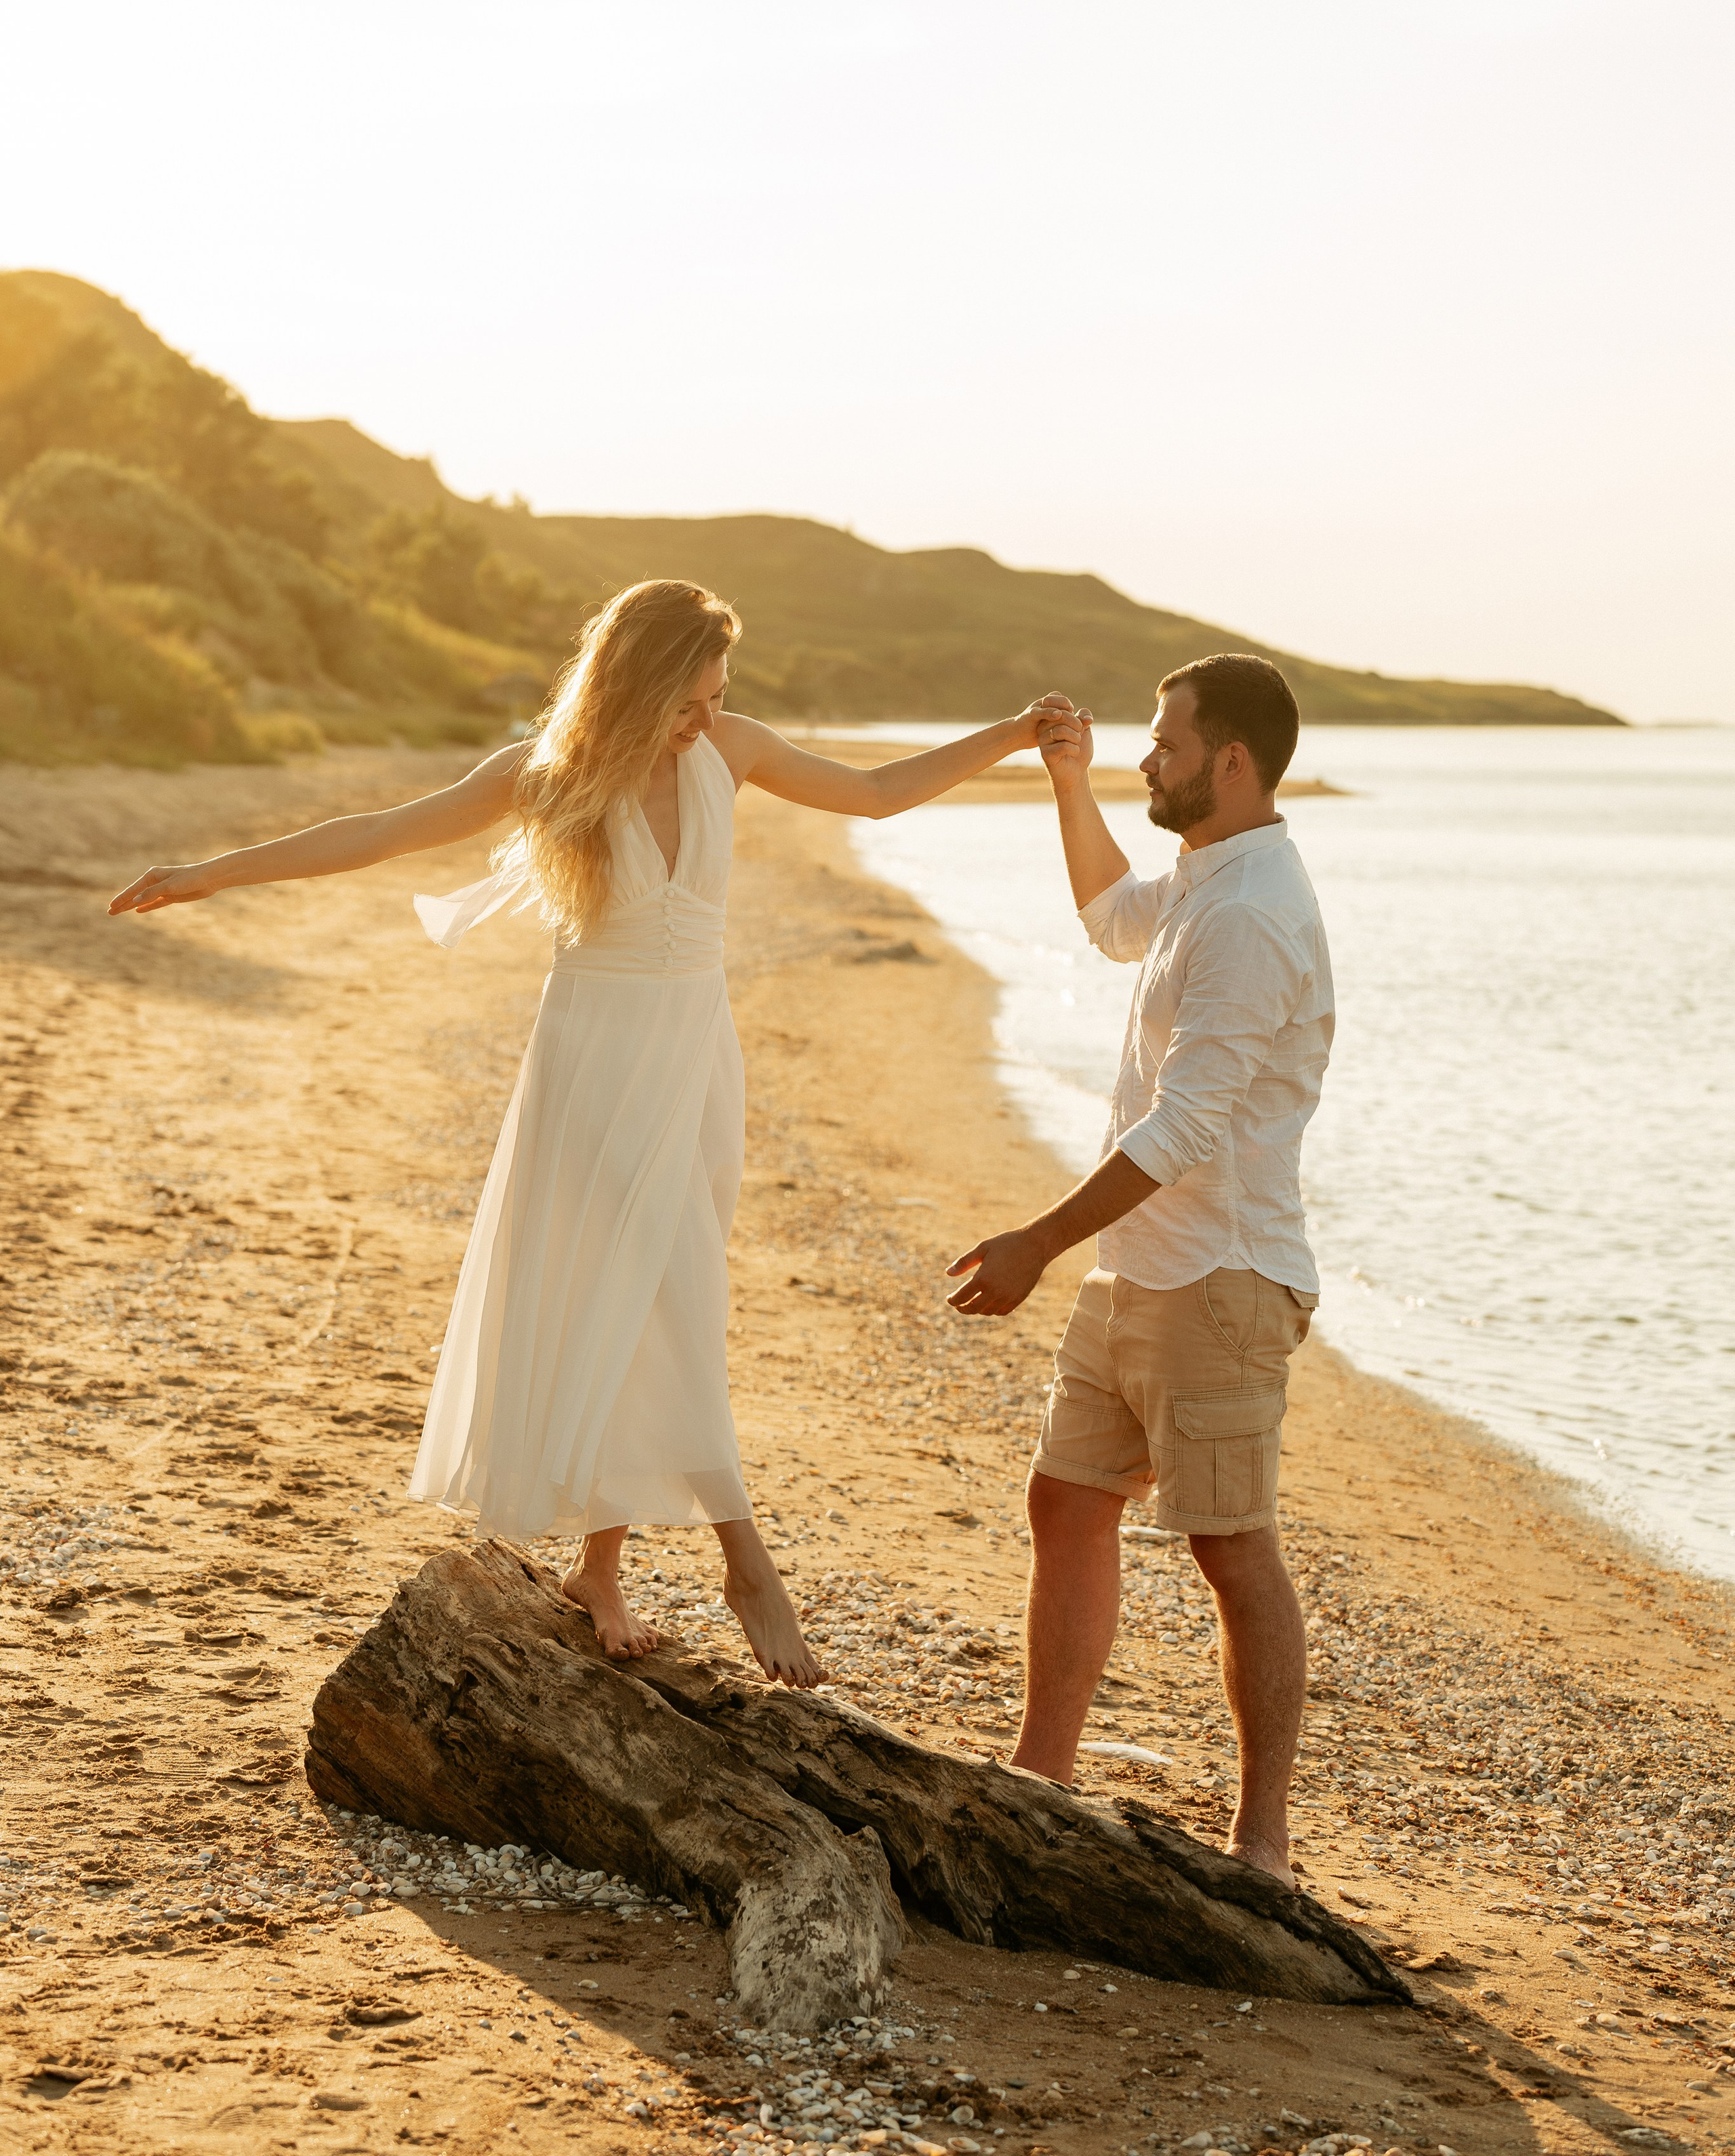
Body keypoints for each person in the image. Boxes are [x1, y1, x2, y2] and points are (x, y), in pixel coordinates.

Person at [110, 577, 1061, 1691]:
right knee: (659, 1286)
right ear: (639, 683)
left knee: (662, 1285)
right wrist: (209, 873)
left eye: (718, 698)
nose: (707, 719)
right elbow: (380, 834)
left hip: (696, 1051)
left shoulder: (734, 748)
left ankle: (599, 1566)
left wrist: (1011, 734)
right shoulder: (546, 776)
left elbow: (879, 792)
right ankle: (744, 1557)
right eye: (691, 699)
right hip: (595, 1057)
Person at [945, 654, 1332, 1884]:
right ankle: (1039, 1784)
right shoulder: (1205, 876)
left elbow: (1186, 1126)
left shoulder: (1258, 914)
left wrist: (1034, 1245)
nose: (1145, 757)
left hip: (1221, 1275)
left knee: (1232, 1545)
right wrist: (1067, 783)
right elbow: (1117, 920)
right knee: (1066, 1500)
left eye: (1165, 743)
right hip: (1138, 1268)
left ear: (1231, 761)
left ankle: (1261, 1842)